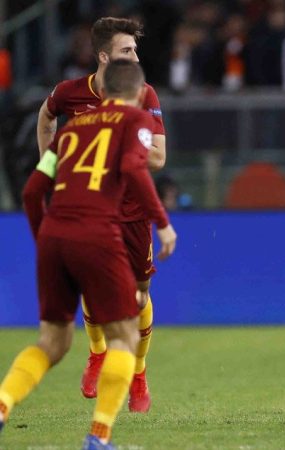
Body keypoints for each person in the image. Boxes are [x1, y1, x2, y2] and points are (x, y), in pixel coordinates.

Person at [0, 60, 177, 449]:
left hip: (54, 236)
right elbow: (135, 169)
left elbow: (32, 191)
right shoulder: (136, 121)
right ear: (138, 94)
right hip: (97, 233)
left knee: (52, 342)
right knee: (125, 336)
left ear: (104, 91)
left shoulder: (68, 133)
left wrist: (44, 240)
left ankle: (3, 403)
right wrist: (162, 222)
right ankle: (99, 435)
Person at [35, 17, 167, 412]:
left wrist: (116, 150)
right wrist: (49, 166)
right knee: (92, 288)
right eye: (127, 50)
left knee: (139, 297)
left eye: (136, 50)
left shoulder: (144, 94)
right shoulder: (70, 93)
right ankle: (97, 354)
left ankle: (138, 373)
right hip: (91, 210)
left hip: (132, 211)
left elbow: (158, 157)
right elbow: (46, 116)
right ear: (104, 57)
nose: (135, 57)